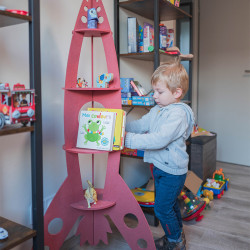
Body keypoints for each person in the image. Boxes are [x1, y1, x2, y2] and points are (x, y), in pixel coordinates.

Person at [125, 61, 195, 250]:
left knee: (162, 208)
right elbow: (141, 124)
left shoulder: (177, 114)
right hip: (160, 168)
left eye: (159, 92)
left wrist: (127, 140)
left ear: (177, 93)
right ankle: (176, 236)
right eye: (154, 91)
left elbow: (159, 139)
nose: (154, 96)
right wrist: (120, 127)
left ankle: (175, 242)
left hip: (173, 172)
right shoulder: (158, 109)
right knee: (170, 206)